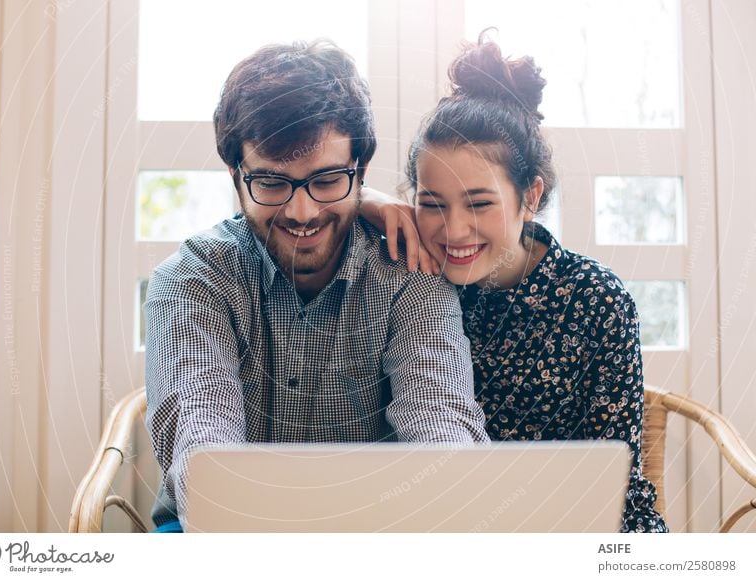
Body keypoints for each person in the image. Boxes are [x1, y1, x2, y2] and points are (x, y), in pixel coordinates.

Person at [144, 40, 489, 532]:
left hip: (375, 536)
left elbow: (443, 437)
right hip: (220, 537)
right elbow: (207, 464)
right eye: (271, 182)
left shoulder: (408, 271)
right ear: (235, 176)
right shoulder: (193, 282)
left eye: (326, 180)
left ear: (361, 171)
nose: (301, 213)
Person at [362, 33, 667, 532]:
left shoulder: (596, 301)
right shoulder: (409, 276)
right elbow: (322, 198)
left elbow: (617, 485)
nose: (454, 230)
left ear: (530, 196)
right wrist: (368, 202)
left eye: (479, 203)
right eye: (432, 203)